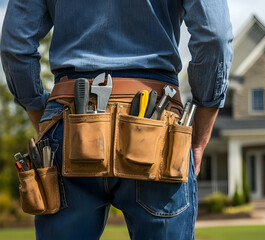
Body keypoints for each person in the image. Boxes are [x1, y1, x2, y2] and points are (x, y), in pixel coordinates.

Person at [1, 0, 233, 239]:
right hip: (160, 134)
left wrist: (42, 115)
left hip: (68, 119)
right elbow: (214, 35)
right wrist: (199, 135)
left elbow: (15, 46)